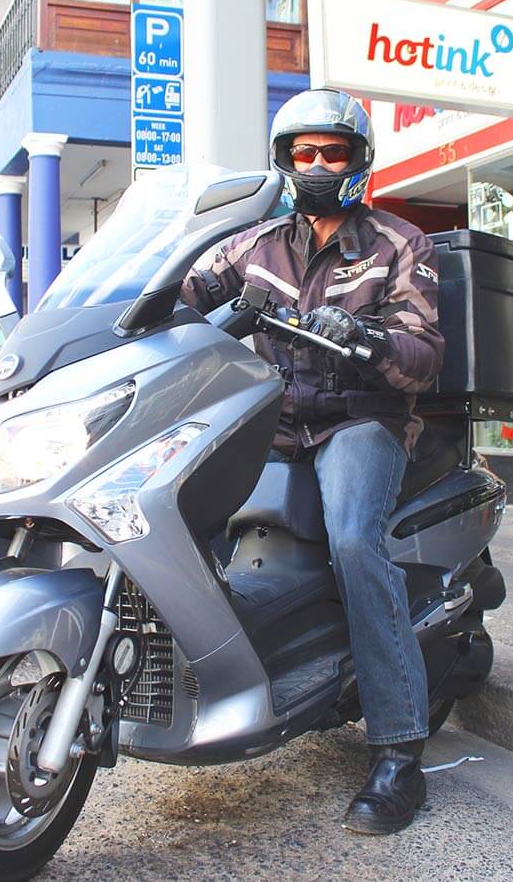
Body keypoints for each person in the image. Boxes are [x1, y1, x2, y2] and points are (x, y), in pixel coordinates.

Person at [180, 88, 444, 835]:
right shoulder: (253, 244)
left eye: (333, 152)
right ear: (286, 162)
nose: (320, 165)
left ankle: (398, 753)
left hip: (357, 422)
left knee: (355, 542)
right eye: (306, 153)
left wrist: (368, 341)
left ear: (358, 161)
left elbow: (424, 354)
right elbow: (183, 293)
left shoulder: (398, 244)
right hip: (269, 419)